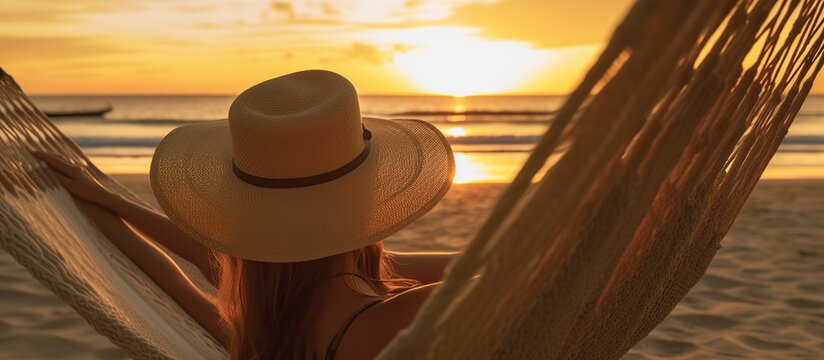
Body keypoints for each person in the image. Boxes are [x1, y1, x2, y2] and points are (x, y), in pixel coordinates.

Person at [33, 69, 456, 359]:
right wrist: (108, 199)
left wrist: (105, 202)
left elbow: (173, 274)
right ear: (367, 198)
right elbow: (499, 265)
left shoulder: (254, 332)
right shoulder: (406, 310)